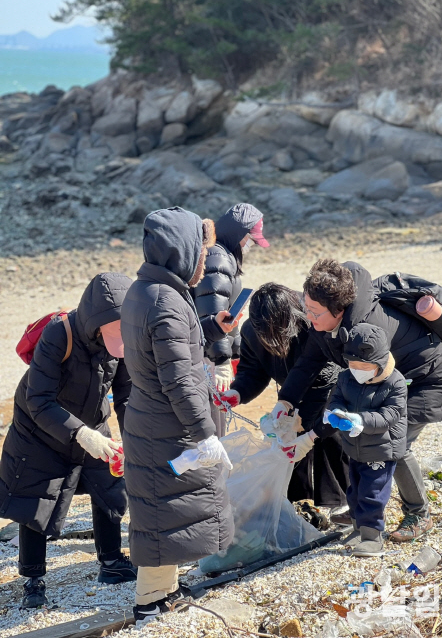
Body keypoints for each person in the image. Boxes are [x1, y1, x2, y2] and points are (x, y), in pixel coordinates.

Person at [273, 260, 442, 542]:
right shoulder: (327, 324)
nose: (309, 317)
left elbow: (362, 396)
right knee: (359, 439)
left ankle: (418, 514)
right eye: (306, 308)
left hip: (429, 380)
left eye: (315, 312)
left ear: (339, 310)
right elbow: (308, 362)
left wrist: (313, 435)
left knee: (391, 442)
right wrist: (286, 401)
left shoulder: (365, 332)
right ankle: (361, 510)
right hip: (394, 379)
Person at [120, 207, 234, 622]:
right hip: (167, 426)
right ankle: (149, 602)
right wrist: (205, 434)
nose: (205, 262)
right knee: (163, 514)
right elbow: (178, 379)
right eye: (201, 253)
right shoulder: (165, 300)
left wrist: (213, 329)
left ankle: (165, 591)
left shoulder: (148, 289)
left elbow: (173, 352)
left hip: (153, 420)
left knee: (167, 511)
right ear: (182, 252)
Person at [0, 273, 136, 609]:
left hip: (92, 419)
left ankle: (111, 562)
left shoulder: (120, 342)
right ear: (97, 323)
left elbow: (126, 395)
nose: (121, 338)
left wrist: (133, 437)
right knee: (37, 498)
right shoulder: (58, 334)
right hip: (40, 426)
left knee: (110, 485)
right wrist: (80, 434)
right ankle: (33, 580)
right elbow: (38, 399)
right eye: (116, 331)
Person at [220, 283, 349, 517]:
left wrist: (301, 419)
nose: (272, 338)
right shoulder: (251, 331)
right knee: (287, 445)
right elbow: (252, 371)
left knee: (326, 433)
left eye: (277, 331)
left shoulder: (311, 322)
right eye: (265, 333)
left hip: (327, 386)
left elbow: (326, 373)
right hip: (289, 396)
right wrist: (237, 393)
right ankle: (298, 503)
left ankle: (341, 499)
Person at [325, 323, 407, 556]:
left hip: (382, 449)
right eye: (353, 365)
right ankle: (357, 529)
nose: (358, 371)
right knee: (354, 491)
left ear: (379, 363)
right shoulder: (346, 377)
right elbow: (336, 399)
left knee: (372, 493)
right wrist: (336, 413)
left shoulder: (395, 382)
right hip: (355, 448)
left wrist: (360, 420)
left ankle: (373, 537)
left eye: (364, 367)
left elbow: (390, 415)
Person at [192, 203, 269, 437]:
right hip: (207, 354)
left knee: (216, 419)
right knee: (210, 423)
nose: (250, 246)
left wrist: (235, 353)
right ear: (239, 234)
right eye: (251, 240)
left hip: (209, 351)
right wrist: (222, 360)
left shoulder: (224, 256)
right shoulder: (218, 259)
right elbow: (212, 311)